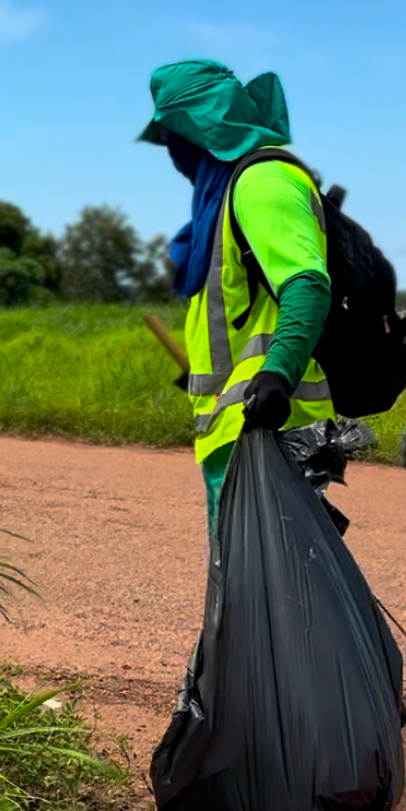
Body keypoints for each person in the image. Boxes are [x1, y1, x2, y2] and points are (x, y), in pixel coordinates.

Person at [139, 59, 336, 536]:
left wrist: (277, 374)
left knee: (280, 579)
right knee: (250, 576)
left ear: (198, 130)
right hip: (237, 433)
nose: (171, 152)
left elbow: (307, 285)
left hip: (273, 430)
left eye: (171, 136)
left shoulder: (263, 182)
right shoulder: (222, 200)